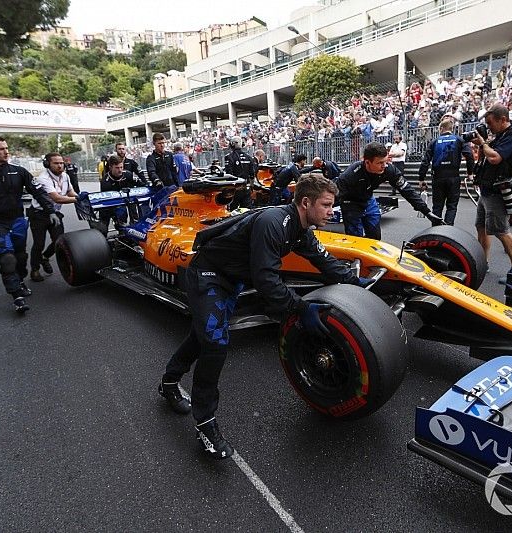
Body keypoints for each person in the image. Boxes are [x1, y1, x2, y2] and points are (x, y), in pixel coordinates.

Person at [157, 175, 371, 459]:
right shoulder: (275, 223)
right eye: (326, 205)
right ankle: (205, 424)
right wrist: (300, 307)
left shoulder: (300, 228)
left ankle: (169, 382)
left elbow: (324, 261)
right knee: (216, 344)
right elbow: (266, 280)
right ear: (306, 203)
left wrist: (358, 285)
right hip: (207, 275)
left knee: (203, 336)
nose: (331, 211)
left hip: (230, 280)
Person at [0, 135, 58, 313]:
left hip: (18, 220)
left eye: (6, 148)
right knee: (7, 259)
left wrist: (50, 211)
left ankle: (20, 280)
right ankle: (17, 296)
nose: (6, 152)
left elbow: (38, 191)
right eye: (0, 149)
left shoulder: (19, 171)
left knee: (21, 257)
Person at [336, 142, 443, 239]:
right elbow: (332, 195)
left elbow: (406, 190)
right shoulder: (350, 175)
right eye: (380, 163)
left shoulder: (388, 169)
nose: (384, 166)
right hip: (350, 202)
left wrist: (426, 211)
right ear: (367, 162)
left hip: (368, 199)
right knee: (355, 239)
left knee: (375, 237)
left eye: (386, 161)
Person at [470, 104, 512, 277]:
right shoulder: (500, 136)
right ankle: (483, 263)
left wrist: (484, 143)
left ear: (503, 120)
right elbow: (487, 154)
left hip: (498, 192)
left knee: (501, 231)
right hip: (486, 190)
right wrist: (482, 144)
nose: (488, 127)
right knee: (481, 227)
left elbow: (494, 158)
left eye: (490, 123)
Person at [28, 153, 78, 282]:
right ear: (47, 164)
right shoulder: (43, 178)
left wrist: (79, 196)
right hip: (39, 214)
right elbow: (56, 198)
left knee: (59, 241)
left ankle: (44, 257)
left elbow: (70, 192)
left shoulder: (65, 176)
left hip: (55, 213)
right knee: (38, 243)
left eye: (61, 163)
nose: (60, 166)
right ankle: (35, 270)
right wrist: (77, 200)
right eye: (56, 163)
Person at [417, 118, 474, 226]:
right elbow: (469, 156)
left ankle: (436, 229)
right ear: (451, 129)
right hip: (453, 177)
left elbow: (425, 161)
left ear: (441, 128)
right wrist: (470, 173)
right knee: (452, 206)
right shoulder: (459, 140)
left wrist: (421, 178)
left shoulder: (434, 142)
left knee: (437, 206)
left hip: (438, 177)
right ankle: (448, 230)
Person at [99, 155, 149, 233]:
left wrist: (148, 186)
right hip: (108, 204)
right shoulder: (105, 181)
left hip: (124, 200)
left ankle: (123, 234)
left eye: (121, 167)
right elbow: (106, 200)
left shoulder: (127, 174)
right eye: (117, 168)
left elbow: (141, 184)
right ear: (111, 167)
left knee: (123, 214)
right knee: (103, 225)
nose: (120, 170)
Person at [224, 136, 254, 210]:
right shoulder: (248, 157)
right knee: (247, 211)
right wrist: (250, 187)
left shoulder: (229, 157)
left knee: (233, 211)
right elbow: (252, 175)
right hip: (246, 188)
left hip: (235, 189)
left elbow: (229, 174)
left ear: (232, 144)